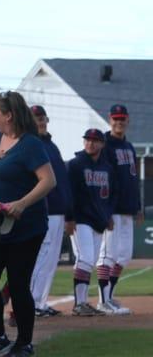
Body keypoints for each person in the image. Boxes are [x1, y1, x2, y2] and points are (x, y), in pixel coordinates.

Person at [0, 91, 55, 357]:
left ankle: (24, 343)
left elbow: (48, 180)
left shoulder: (30, 144)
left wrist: (21, 203)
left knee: (19, 283)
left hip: (26, 226)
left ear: (8, 115)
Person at [96, 104, 142, 315]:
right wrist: (105, 210)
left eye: (122, 118)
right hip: (112, 210)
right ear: (110, 119)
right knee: (109, 254)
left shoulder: (129, 147)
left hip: (128, 209)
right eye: (116, 118)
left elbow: (132, 180)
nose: (119, 122)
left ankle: (110, 296)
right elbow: (104, 179)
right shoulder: (104, 145)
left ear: (127, 120)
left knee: (124, 255)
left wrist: (138, 207)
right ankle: (102, 301)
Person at [66, 129, 115, 316]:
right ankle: (79, 304)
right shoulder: (76, 165)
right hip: (80, 219)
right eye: (87, 139)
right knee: (85, 258)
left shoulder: (107, 169)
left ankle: (83, 302)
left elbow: (112, 194)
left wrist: (108, 215)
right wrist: (69, 218)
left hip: (99, 220)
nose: (90, 143)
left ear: (102, 144)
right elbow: (69, 194)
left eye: (95, 140)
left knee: (91, 260)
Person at [29, 105, 72, 317]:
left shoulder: (51, 145)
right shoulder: (30, 144)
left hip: (57, 210)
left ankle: (40, 302)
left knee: (51, 259)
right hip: (42, 209)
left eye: (42, 117)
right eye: (36, 118)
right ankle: (32, 303)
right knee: (42, 257)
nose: (41, 121)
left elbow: (62, 180)